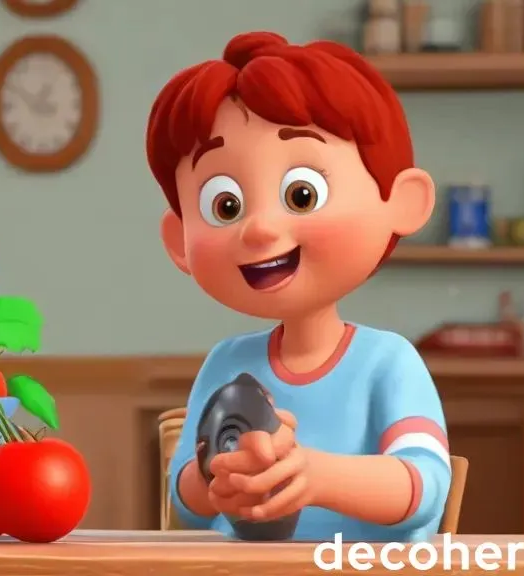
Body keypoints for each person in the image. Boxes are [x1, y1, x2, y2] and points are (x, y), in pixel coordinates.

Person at [146, 31, 450, 542]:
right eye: (226, 206)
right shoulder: (225, 362)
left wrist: (315, 477)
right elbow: (186, 503)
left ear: (403, 200)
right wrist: (218, 478)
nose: (259, 229)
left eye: (301, 194)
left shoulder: (387, 362)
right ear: (179, 240)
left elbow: (425, 485)